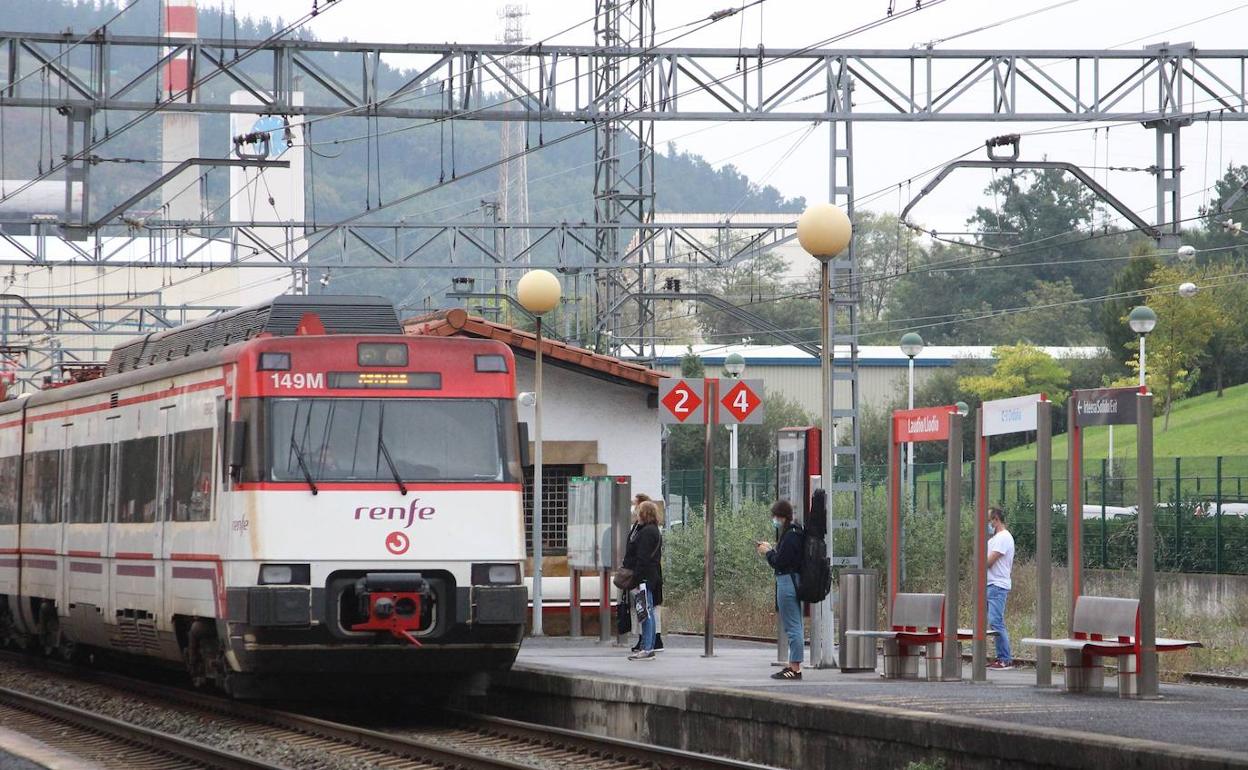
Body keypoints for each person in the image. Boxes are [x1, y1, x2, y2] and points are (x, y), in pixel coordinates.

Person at [757, 499, 803, 680]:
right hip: (792, 580)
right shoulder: (794, 532)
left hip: (787, 581)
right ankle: (794, 664)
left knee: (793, 626)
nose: (774, 520)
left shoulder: (791, 535)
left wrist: (767, 552)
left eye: (776, 516)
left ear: (782, 516)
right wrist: (771, 549)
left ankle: (795, 668)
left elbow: (779, 562)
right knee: (794, 624)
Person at [623, 494, 664, 653]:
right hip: (650, 575)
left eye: (638, 511)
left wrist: (636, 577)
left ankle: (647, 647)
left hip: (644, 577)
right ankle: (649, 645)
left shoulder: (646, 532)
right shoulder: (652, 530)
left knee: (646, 613)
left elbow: (642, 557)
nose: (635, 513)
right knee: (648, 611)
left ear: (643, 513)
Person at [986, 506, 1015, 669]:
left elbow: (989, 561)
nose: (987, 523)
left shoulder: (1004, 537)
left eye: (989, 520)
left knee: (996, 622)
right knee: (993, 622)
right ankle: (1000, 657)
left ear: (996, 519)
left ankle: (1005, 658)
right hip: (990, 583)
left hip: (997, 585)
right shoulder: (993, 539)